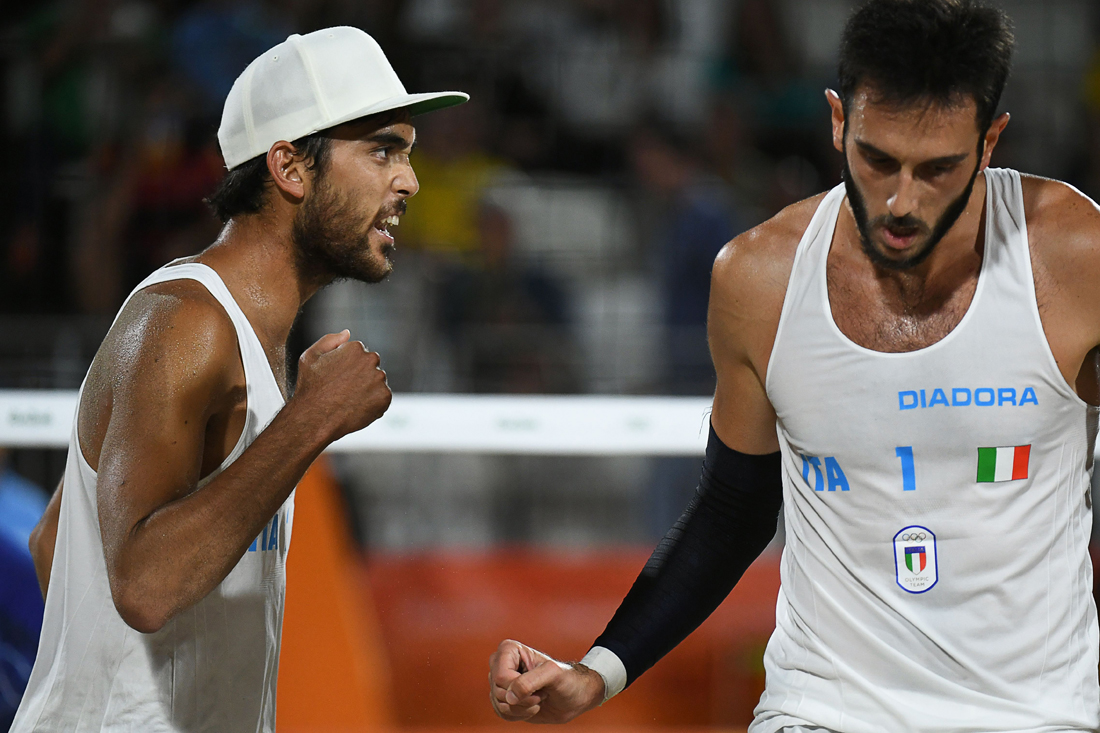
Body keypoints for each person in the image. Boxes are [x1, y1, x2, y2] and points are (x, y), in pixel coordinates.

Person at [489, 1, 1100, 731]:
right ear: (838, 121)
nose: (902, 200)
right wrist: (598, 670)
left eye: (937, 169)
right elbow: (734, 505)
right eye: (878, 160)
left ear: (990, 140)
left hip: (1033, 716)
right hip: (820, 711)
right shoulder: (759, 276)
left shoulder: (1073, 259)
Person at [12, 26, 466, 732]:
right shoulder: (183, 322)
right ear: (289, 167)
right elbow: (146, 586)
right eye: (383, 150)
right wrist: (310, 420)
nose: (408, 179)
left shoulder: (246, 332)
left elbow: (53, 545)